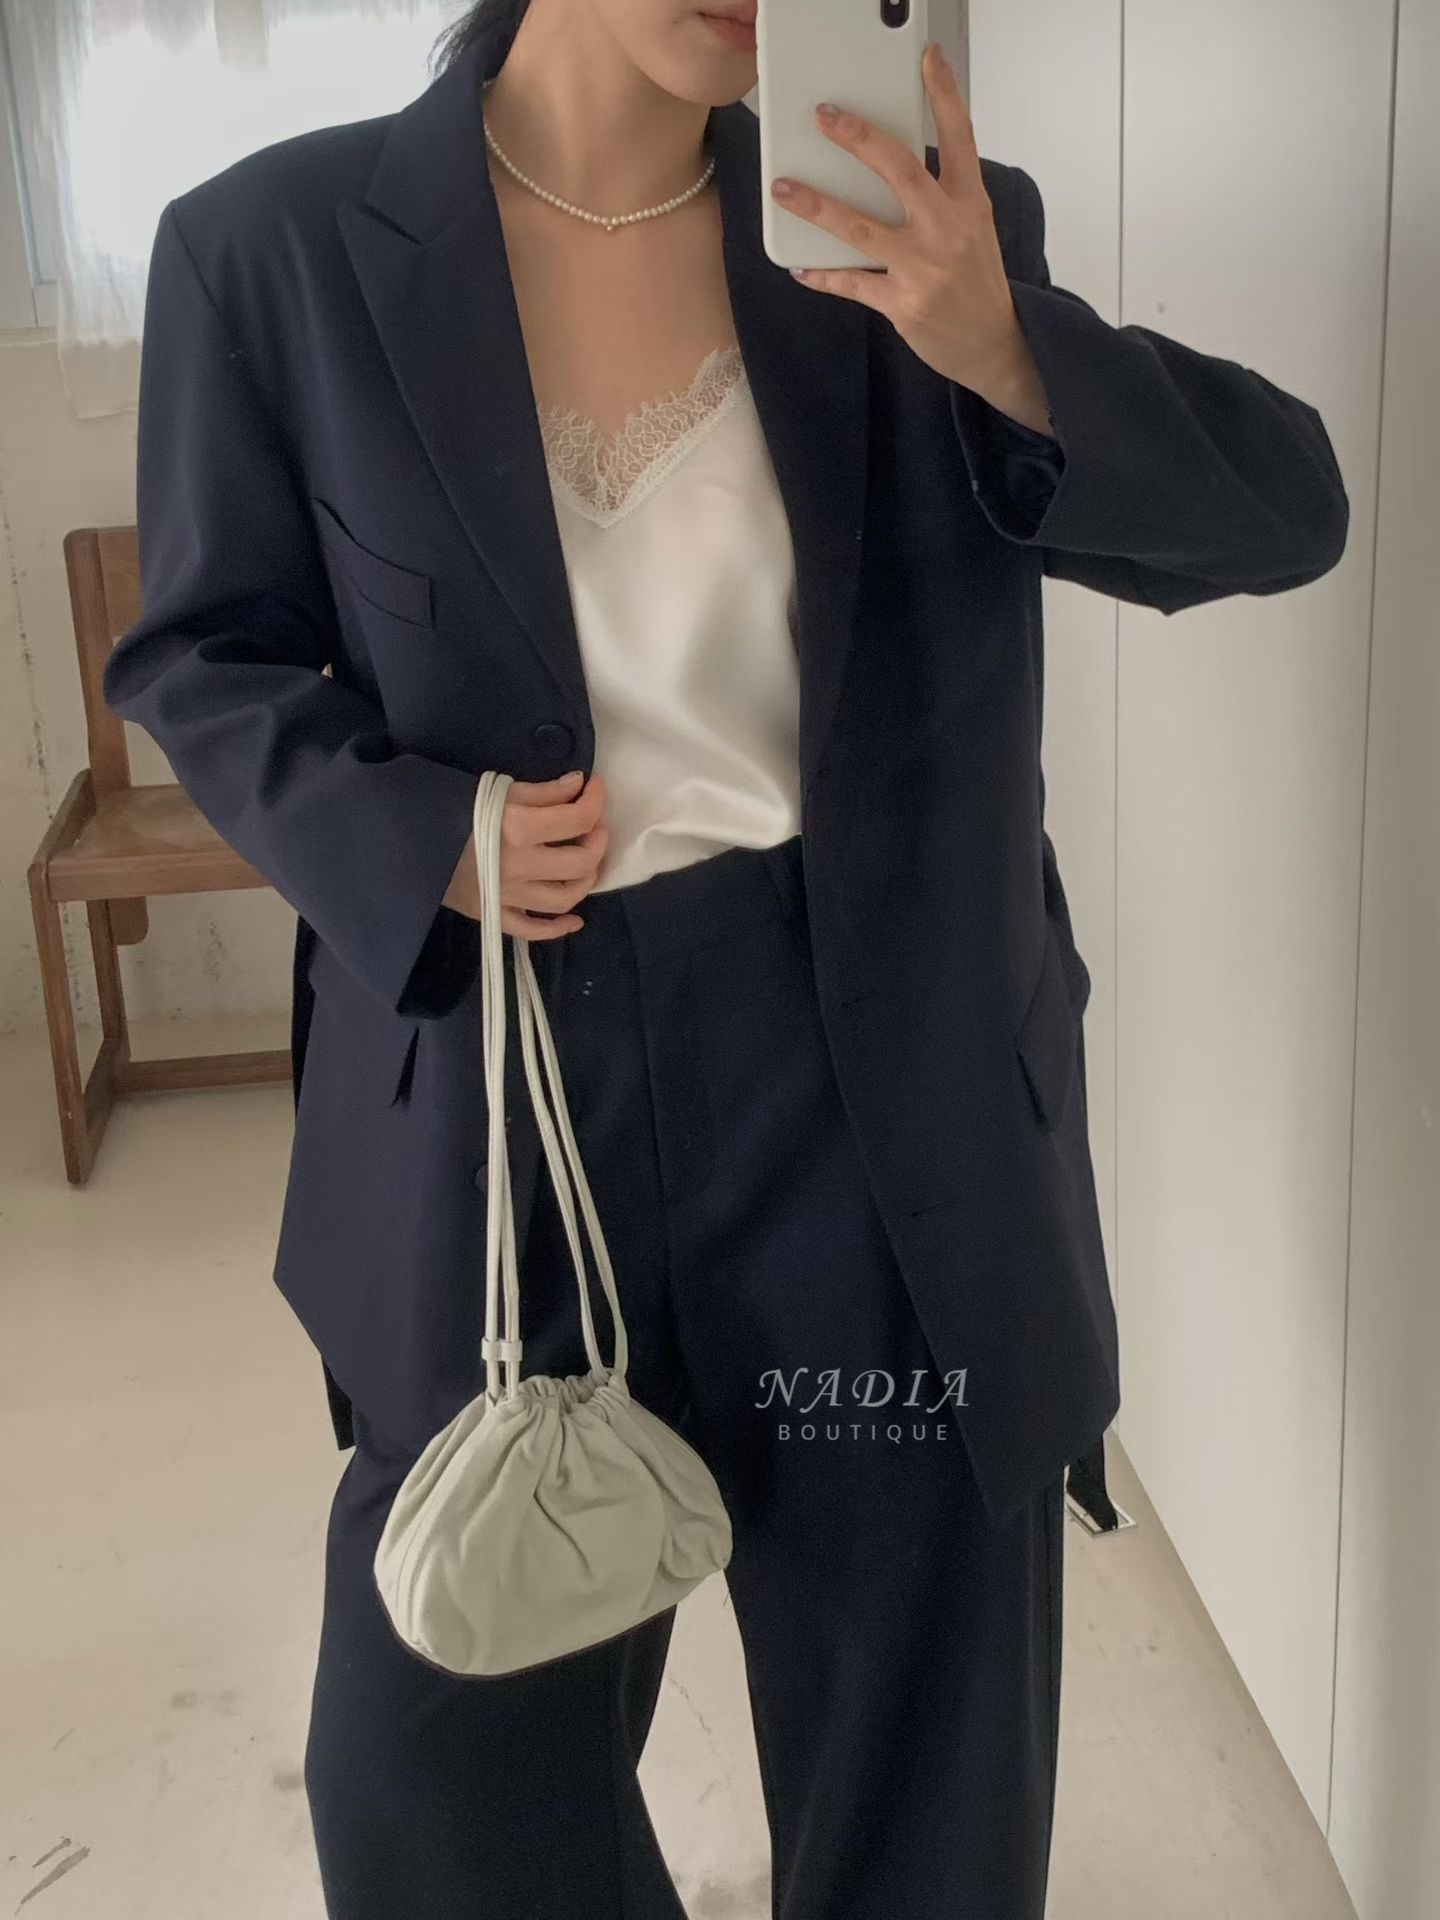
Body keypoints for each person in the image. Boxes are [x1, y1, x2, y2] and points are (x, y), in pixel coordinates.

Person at [102, 0, 1350, 1914]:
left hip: (879, 1124)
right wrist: (413, 834)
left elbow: (1287, 510)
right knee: (441, 1792)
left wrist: (997, 340)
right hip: (510, 1104)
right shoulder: (272, 249)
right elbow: (202, 648)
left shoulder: (908, 226)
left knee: (920, 1772)